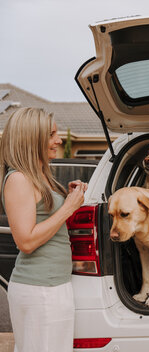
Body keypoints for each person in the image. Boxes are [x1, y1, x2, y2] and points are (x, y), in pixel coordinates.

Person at [0, 107, 87, 352]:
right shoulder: (18, 179)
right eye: (52, 134)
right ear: (32, 138)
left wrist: (70, 197)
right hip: (39, 290)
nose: (58, 140)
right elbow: (25, 242)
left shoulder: (40, 177)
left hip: (53, 287)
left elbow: (51, 226)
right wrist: (68, 207)